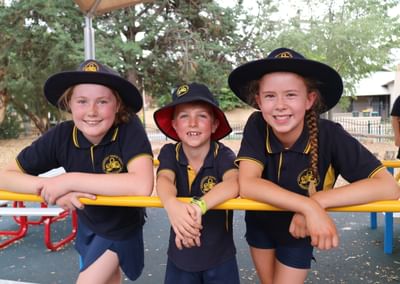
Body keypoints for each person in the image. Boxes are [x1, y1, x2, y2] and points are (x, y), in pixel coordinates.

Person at [228, 47, 400, 284]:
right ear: (258, 100)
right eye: (269, 96)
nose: (279, 105)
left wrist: (315, 203)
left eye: (290, 95)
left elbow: (388, 187)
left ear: (310, 99)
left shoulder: (330, 135)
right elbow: (247, 184)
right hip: (261, 224)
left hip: (300, 231)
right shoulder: (257, 125)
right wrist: (308, 206)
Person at [0, 60, 154, 284]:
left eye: (102, 101)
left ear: (117, 105)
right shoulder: (61, 136)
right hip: (88, 223)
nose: (92, 111)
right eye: (82, 101)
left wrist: (68, 180)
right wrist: (52, 190)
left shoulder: (129, 128)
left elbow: (141, 185)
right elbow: (5, 176)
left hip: (121, 228)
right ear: (69, 103)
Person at [153, 82, 240, 284]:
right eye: (184, 116)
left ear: (214, 124)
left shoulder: (222, 154)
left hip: (220, 257)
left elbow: (234, 182)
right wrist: (171, 204)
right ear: (174, 124)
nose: (193, 123)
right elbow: (165, 179)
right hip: (180, 255)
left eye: (201, 116)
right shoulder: (170, 153)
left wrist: (198, 206)